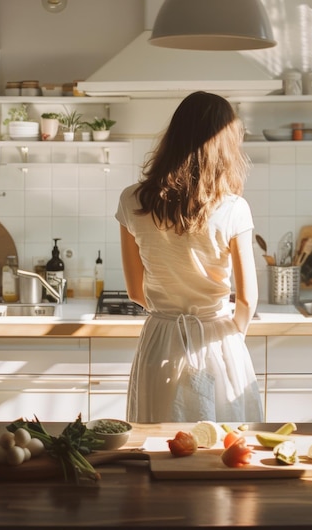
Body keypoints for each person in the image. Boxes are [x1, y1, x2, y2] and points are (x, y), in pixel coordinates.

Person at [116, 91, 264, 423]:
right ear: (225, 145)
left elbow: (135, 292)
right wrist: (229, 341)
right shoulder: (233, 208)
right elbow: (246, 300)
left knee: (156, 445)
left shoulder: (131, 201)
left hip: (160, 341)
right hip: (218, 340)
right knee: (225, 447)